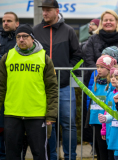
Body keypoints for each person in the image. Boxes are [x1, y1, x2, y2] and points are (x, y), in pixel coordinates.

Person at [0, 24, 58, 160]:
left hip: (37, 115)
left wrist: (51, 114)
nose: (21, 39)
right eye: (18, 37)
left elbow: (52, 88)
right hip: (12, 113)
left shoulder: (44, 58)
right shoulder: (7, 57)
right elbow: (1, 87)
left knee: (39, 154)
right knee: (12, 154)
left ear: (32, 38)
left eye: (25, 36)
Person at [33, 0, 82, 159]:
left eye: (48, 10)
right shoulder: (35, 31)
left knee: (69, 125)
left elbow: (78, 57)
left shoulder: (68, 31)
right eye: (43, 10)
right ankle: (52, 157)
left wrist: (66, 73)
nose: (44, 13)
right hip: (42, 88)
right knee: (49, 126)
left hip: (64, 86)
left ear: (56, 11)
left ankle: (70, 157)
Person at [89, 55, 117, 160]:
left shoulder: (112, 85)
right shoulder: (95, 82)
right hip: (95, 120)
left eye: (102, 67)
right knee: (99, 148)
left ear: (109, 69)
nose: (99, 70)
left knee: (106, 148)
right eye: (97, 67)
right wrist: (90, 119)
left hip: (106, 121)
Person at [0, 11, 19, 159]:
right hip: (1, 88)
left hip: (16, 89)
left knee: (13, 127)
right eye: (4, 21)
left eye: (9, 21)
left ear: (16, 23)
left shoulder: (21, 40)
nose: (5, 23)